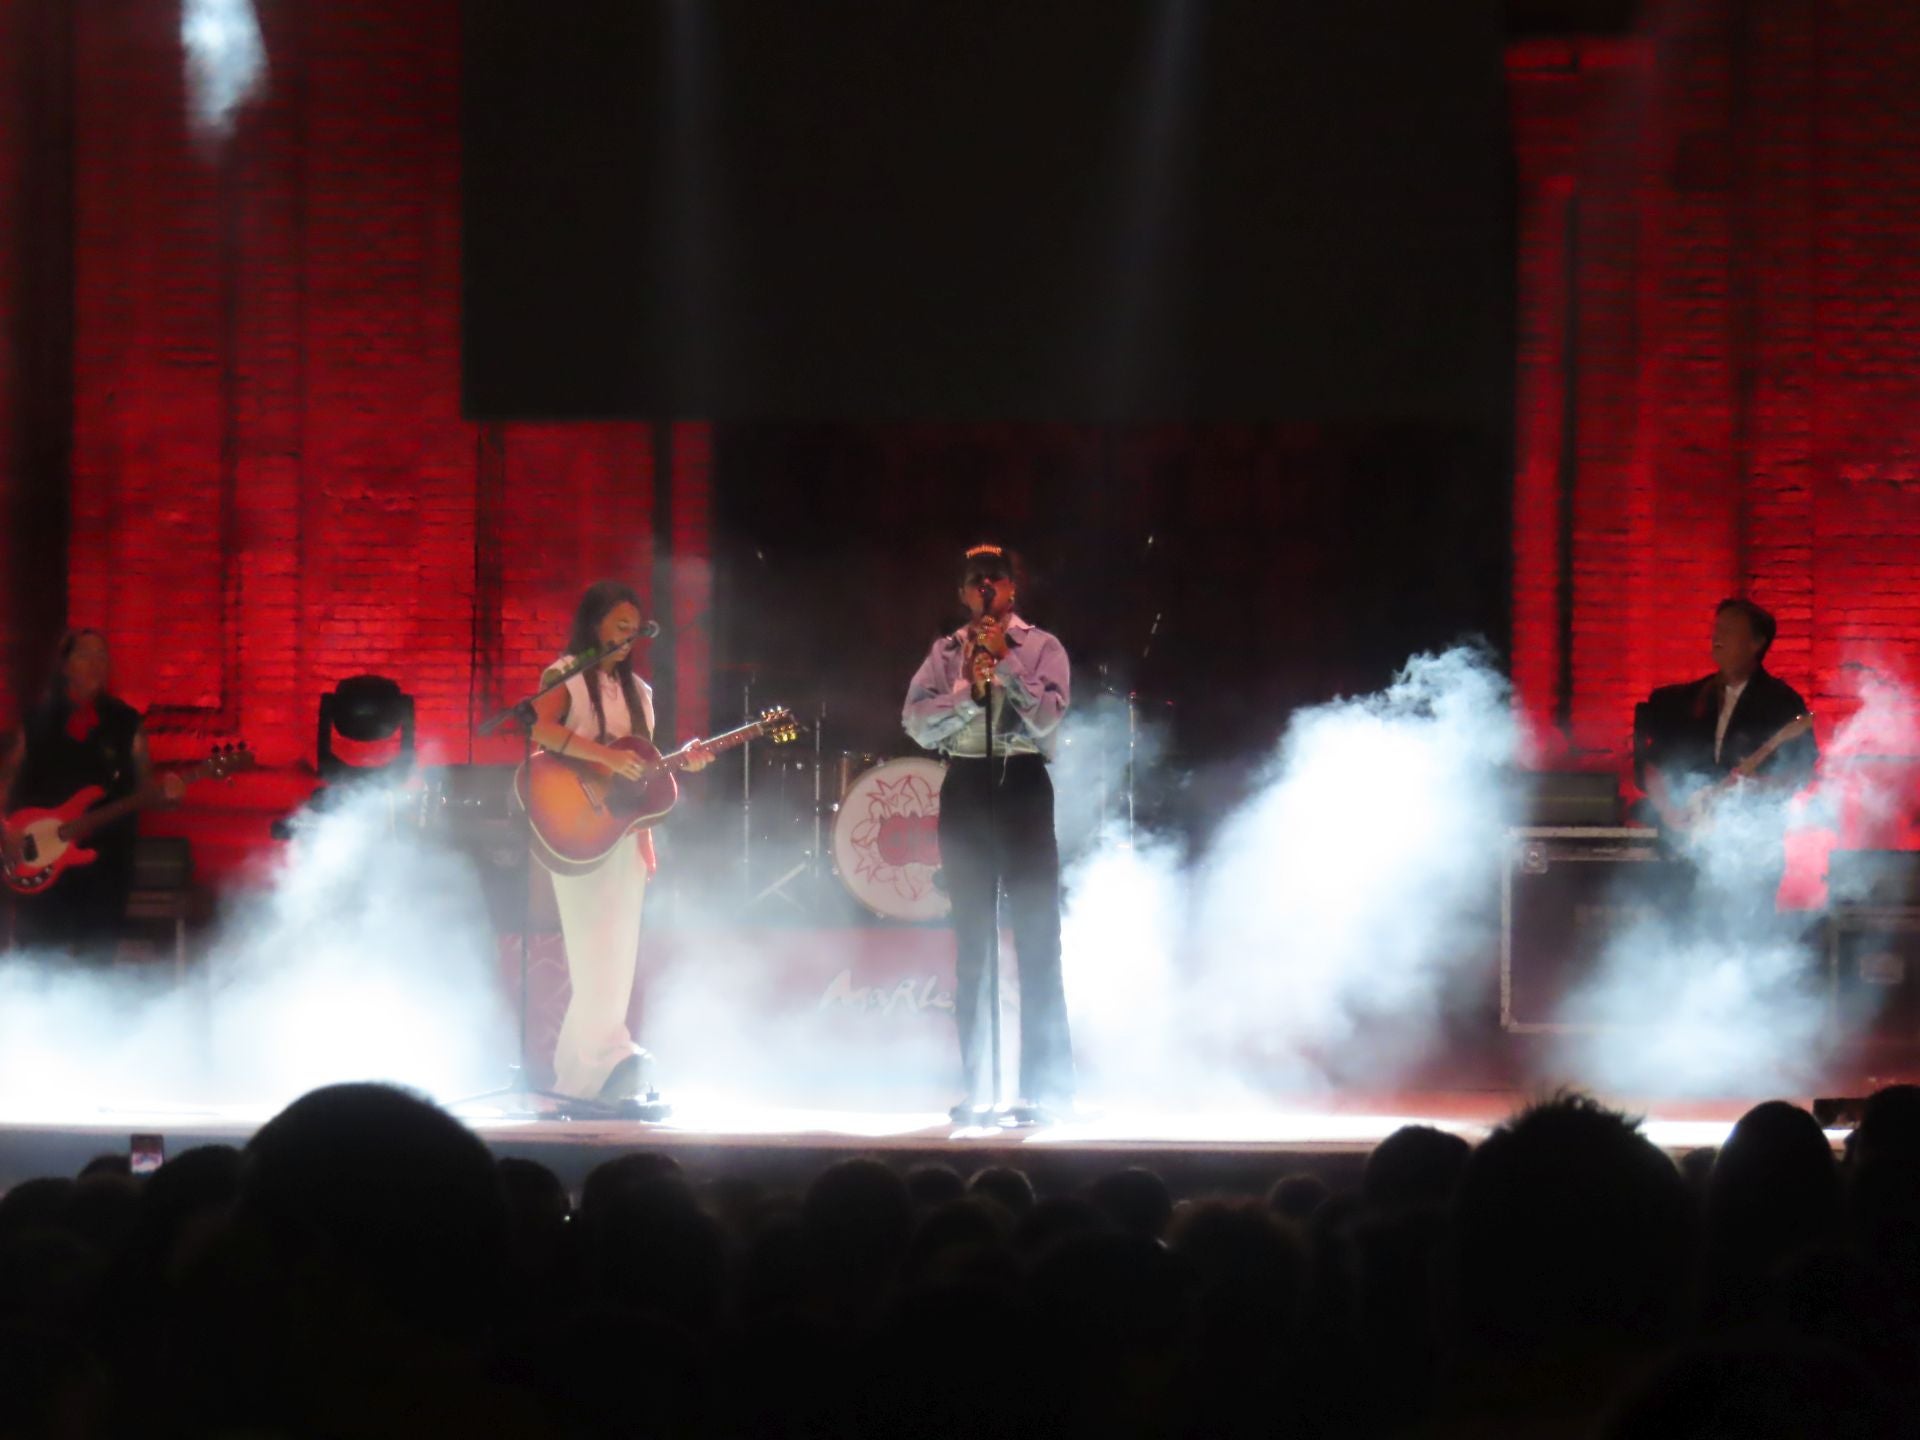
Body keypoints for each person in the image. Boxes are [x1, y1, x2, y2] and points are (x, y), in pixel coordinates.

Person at [903, 544, 1074, 1124]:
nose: (986, 589)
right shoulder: (944, 652)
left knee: (1037, 942)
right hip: (968, 784)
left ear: (1011, 589)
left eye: (995, 580)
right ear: (962, 591)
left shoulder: (1043, 647)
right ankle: (978, 1087)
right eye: (976, 580)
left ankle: (1045, 1089)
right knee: (973, 948)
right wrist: (963, 694)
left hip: (1023, 784)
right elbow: (916, 723)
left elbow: (1049, 716)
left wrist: (1005, 665)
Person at [526, 582, 709, 1107]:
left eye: (635, 630)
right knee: (594, 952)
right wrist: (603, 759)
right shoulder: (565, 676)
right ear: (596, 626)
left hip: (623, 830)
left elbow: (640, 771)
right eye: (621, 627)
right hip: (575, 824)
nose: (630, 639)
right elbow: (540, 730)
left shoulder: (641, 694)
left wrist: (676, 772)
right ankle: (606, 1063)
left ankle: (584, 1076)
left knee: (616, 954)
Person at [1634, 597, 1817, 928]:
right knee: (1680, 938)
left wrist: (1757, 788)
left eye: (1729, 630)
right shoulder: (1685, 700)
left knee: (1743, 940)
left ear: (1756, 643)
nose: (1717, 637)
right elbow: (1652, 763)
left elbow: (1799, 773)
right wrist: (1669, 811)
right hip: (1684, 853)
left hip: (1750, 851)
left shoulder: (1782, 703)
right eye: (1716, 629)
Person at [0, 629, 183, 959]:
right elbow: (5, 781)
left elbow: (147, 790)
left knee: (97, 960)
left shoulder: (126, 723)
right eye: (85, 655)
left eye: (102, 655)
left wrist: (169, 795)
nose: (96, 663)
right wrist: (5, 830)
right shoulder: (38, 721)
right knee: (40, 961)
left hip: (105, 863)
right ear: (65, 665)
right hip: (40, 859)